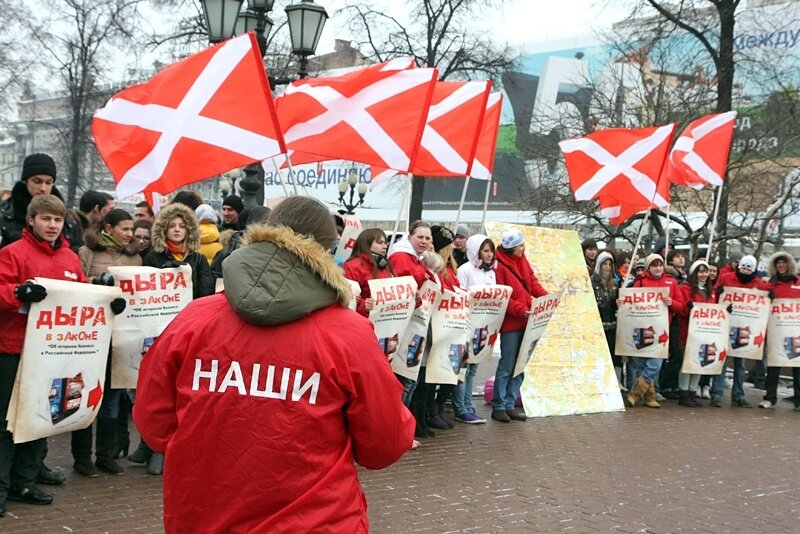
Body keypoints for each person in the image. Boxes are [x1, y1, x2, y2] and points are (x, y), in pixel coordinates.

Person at [133, 196, 414, 532]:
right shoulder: (349, 333)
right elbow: (384, 444)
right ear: (327, 250)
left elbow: (153, 421)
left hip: (204, 514)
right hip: (315, 520)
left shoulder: (194, 319)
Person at [0, 195, 95, 513]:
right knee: (7, 422)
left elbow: (82, 294)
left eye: (57, 220)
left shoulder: (69, 258)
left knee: (41, 419)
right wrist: (17, 292)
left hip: (52, 353)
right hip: (13, 349)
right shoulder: (12, 253)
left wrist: (107, 300)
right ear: (31, 221)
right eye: (45, 219)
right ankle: (1, 485)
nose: (52, 225)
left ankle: (24, 481)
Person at [71, 209, 141, 477]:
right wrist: (97, 283)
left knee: (111, 396)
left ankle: (105, 454)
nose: (129, 234)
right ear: (108, 228)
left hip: (119, 336)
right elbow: (75, 287)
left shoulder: (135, 257)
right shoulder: (86, 253)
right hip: (90, 335)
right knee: (85, 393)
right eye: (124, 229)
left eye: (131, 230)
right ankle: (81, 457)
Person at [492, 228, 548, 422]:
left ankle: (509, 403)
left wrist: (547, 298)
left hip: (528, 318)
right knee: (507, 365)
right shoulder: (499, 266)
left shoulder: (522, 260)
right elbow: (502, 296)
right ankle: (499, 405)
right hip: (512, 322)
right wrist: (520, 309)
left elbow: (532, 282)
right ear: (512, 248)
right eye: (520, 246)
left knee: (520, 364)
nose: (523, 248)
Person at [625, 254, 686, 409]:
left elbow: (681, 306)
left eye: (660, 265)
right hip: (642, 328)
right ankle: (649, 397)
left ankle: (635, 393)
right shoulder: (640, 282)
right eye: (654, 265)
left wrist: (672, 303)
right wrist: (622, 302)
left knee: (655, 364)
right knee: (643, 364)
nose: (658, 268)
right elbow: (629, 301)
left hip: (661, 330)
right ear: (648, 267)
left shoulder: (671, 282)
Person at [709, 254, 770, 408]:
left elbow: (766, 296)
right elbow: (714, 295)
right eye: (743, 266)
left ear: (754, 269)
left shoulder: (759, 284)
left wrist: (771, 296)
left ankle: (738, 395)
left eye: (749, 267)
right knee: (722, 361)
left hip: (745, 330)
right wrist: (718, 292)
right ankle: (716, 393)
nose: (745, 269)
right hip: (726, 326)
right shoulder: (726, 278)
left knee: (740, 365)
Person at [1, 153, 81, 255]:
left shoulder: (68, 221)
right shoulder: (5, 216)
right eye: (37, 181)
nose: (43, 188)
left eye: (48, 183)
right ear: (26, 182)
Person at [454, 234, 497, 424]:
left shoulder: (491, 273)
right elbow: (460, 294)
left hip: (482, 326)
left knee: (472, 369)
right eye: (486, 251)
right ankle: (460, 408)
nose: (490, 255)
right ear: (476, 251)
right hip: (467, 325)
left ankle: (468, 404)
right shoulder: (465, 270)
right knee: (462, 368)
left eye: (491, 251)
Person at [143, 203, 215, 301]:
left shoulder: (198, 259)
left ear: (189, 230)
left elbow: (206, 294)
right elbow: (147, 293)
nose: (177, 230)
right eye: (172, 226)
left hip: (191, 312)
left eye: (182, 226)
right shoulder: (152, 257)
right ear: (163, 229)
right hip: (163, 312)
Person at [760, 252, 800, 410]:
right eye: (778, 263)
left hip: (795, 332)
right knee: (774, 365)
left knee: (797, 366)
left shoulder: (798, 282)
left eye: (784, 263)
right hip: (776, 332)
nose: (781, 266)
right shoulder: (769, 284)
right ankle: (770, 398)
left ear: (789, 264)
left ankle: (799, 399)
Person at [676, 260, 717, 407]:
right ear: (694, 273)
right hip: (688, 332)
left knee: (700, 362)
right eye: (700, 271)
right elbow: (681, 311)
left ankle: (692, 392)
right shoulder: (686, 289)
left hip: (705, 334)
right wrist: (688, 308)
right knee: (687, 364)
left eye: (705, 271)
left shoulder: (711, 292)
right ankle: (684, 393)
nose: (704, 274)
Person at [343, 228, 394, 318]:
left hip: (383, 321)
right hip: (361, 322)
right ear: (366, 244)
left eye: (385, 243)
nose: (385, 246)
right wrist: (363, 305)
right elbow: (346, 296)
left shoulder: (385, 265)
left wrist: (412, 298)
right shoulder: (352, 266)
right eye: (380, 242)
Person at [210, 206, 270, 278]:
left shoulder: (227, 251)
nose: (225, 213)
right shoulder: (276, 254)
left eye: (230, 209)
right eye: (224, 209)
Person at [591, 251, 622, 390]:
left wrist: (619, 303)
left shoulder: (615, 284)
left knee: (615, 355)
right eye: (604, 264)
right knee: (601, 356)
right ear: (599, 265)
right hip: (598, 325)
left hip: (613, 325)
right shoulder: (592, 282)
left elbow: (617, 304)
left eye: (610, 264)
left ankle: (616, 382)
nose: (607, 267)